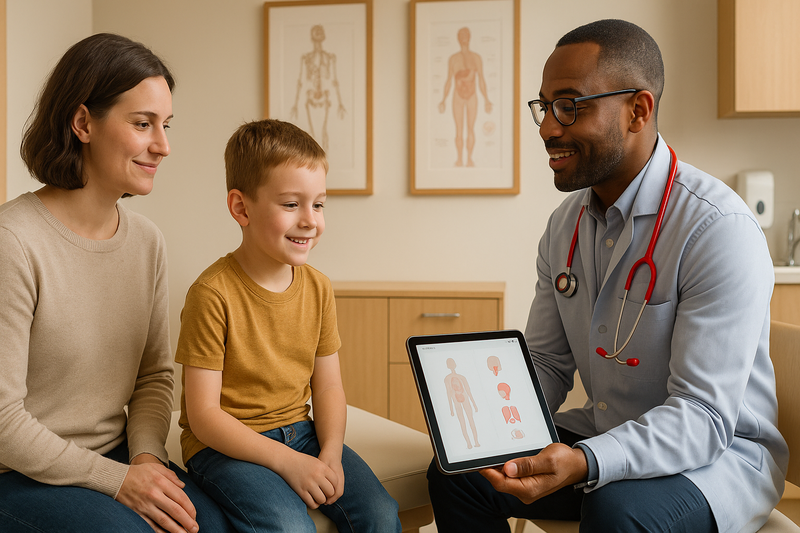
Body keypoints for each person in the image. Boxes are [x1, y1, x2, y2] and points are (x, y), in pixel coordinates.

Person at [427, 19, 788, 533]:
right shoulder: (566, 226)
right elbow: (547, 362)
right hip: (606, 431)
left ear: (638, 110)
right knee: (458, 474)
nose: (548, 128)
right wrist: (484, 428)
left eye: (570, 106)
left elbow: (703, 417)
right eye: (545, 107)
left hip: (716, 458)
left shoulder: (716, 228)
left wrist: (587, 461)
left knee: (615, 511)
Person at [0, 33, 232, 532]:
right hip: (17, 473)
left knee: (214, 524)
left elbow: (153, 376)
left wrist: (146, 458)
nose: (163, 146)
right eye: (143, 124)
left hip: (118, 455)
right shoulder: (13, 242)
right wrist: (116, 479)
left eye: (166, 125)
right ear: (83, 123)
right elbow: (2, 422)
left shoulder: (146, 241)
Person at [174, 118, 401, 533]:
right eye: (291, 204)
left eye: (319, 205)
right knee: (289, 527)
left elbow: (328, 387)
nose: (310, 220)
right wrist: (287, 462)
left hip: (303, 433)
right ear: (241, 208)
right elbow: (203, 415)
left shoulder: (318, 288)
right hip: (223, 448)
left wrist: (330, 453)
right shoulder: (211, 293)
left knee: (381, 514)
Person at [438, 26, 493, 167]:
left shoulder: (476, 58)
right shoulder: (453, 59)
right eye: (461, 35)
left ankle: (469, 158)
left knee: (470, 128)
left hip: (472, 95)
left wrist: (486, 99)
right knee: (458, 130)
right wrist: (443, 99)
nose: (464, 38)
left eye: (466, 35)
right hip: (457, 95)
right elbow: (449, 80)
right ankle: (459, 159)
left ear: (469, 37)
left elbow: (481, 79)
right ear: (458, 38)